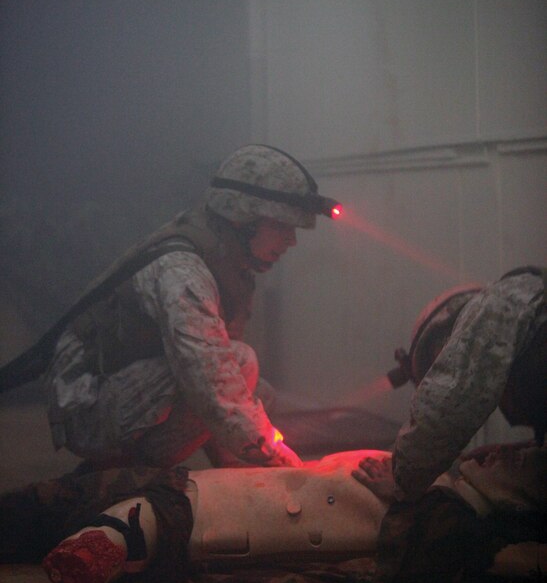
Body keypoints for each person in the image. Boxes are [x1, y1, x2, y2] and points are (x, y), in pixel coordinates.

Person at [0, 145, 342, 471]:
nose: (291, 240)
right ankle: (123, 476)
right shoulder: (182, 270)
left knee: (248, 386)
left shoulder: (224, 259)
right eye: (281, 226)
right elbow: (211, 382)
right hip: (87, 408)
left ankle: (236, 474)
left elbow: (222, 383)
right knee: (235, 369)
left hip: (117, 392)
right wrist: (281, 460)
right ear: (243, 218)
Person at [1, 446, 545, 583]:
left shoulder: (457, 523)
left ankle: (109, 540)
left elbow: (501, 561)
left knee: (119, 520)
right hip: (194, 486)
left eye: (529, 462)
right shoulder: (441, 475)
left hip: (193, 511)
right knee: (41, 504)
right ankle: (110, 532)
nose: (514, 452)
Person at [354, 266, 547, 503]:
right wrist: (522, 450)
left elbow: (446, 406)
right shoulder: (527, 302)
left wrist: (402, 480)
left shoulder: (494, 305)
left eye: (444, 361)